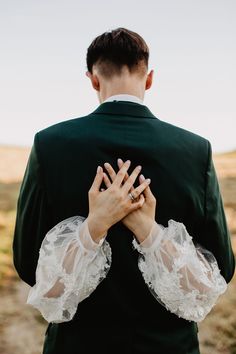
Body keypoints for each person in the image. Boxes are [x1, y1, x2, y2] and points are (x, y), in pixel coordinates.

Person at [12, 27, 235, 354]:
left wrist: (94, 230)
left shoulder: (50, 144)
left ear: (93, 79)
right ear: (149, 79)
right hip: (169, 346)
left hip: (78, 345)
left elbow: (27, 261)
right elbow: (221, 268)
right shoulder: (195, 150)